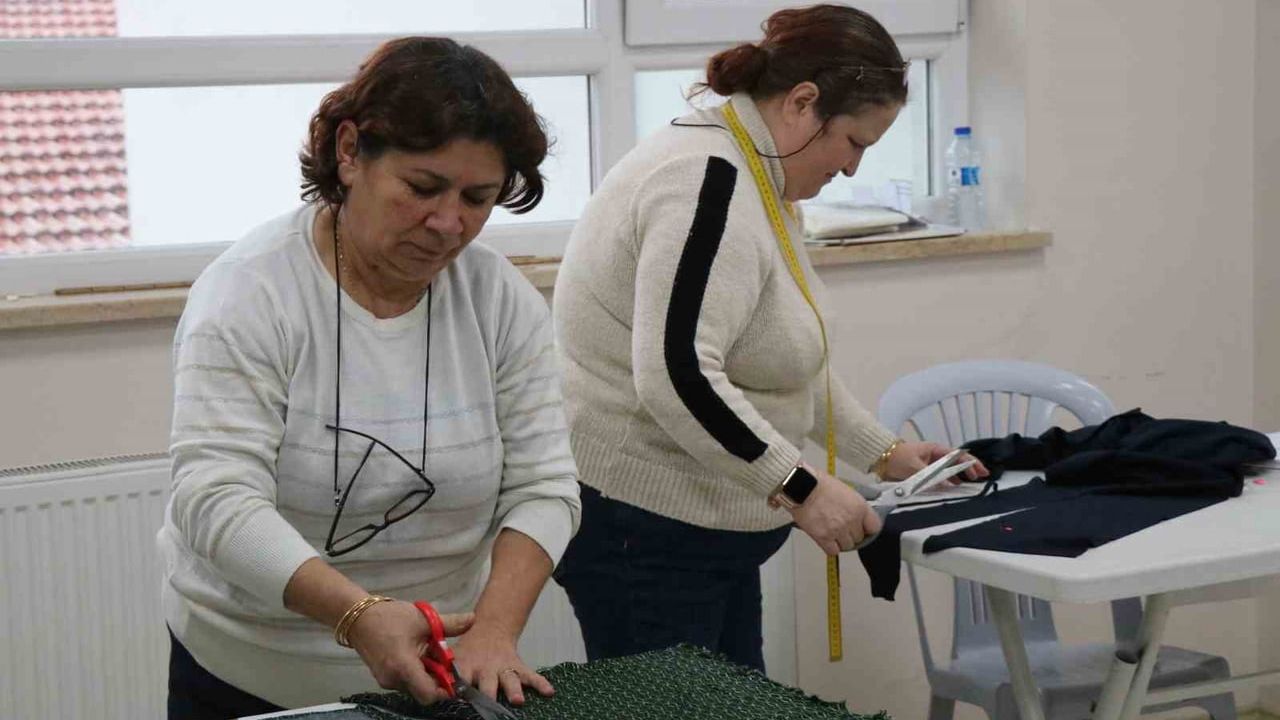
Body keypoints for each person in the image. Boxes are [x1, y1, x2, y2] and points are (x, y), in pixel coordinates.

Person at [552, 4, 987, 671]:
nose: (850, 168)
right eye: (854, 141)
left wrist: (886, 453)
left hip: (705, 529)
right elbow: (677, 375)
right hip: (649, 539)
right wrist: (803, 486)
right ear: (802, 102)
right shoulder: (706, 183)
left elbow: (781, 359)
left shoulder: (758, 176)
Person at [158, 37, 580, 719]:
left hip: (430, 674)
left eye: (479, 197)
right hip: (250, 675)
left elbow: (546, 486)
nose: (449, 224)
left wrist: (496, 630)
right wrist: (356, 615)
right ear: (350, 153)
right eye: (422, 188)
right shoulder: (248, 293)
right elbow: (215, 499)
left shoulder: (501, 302)